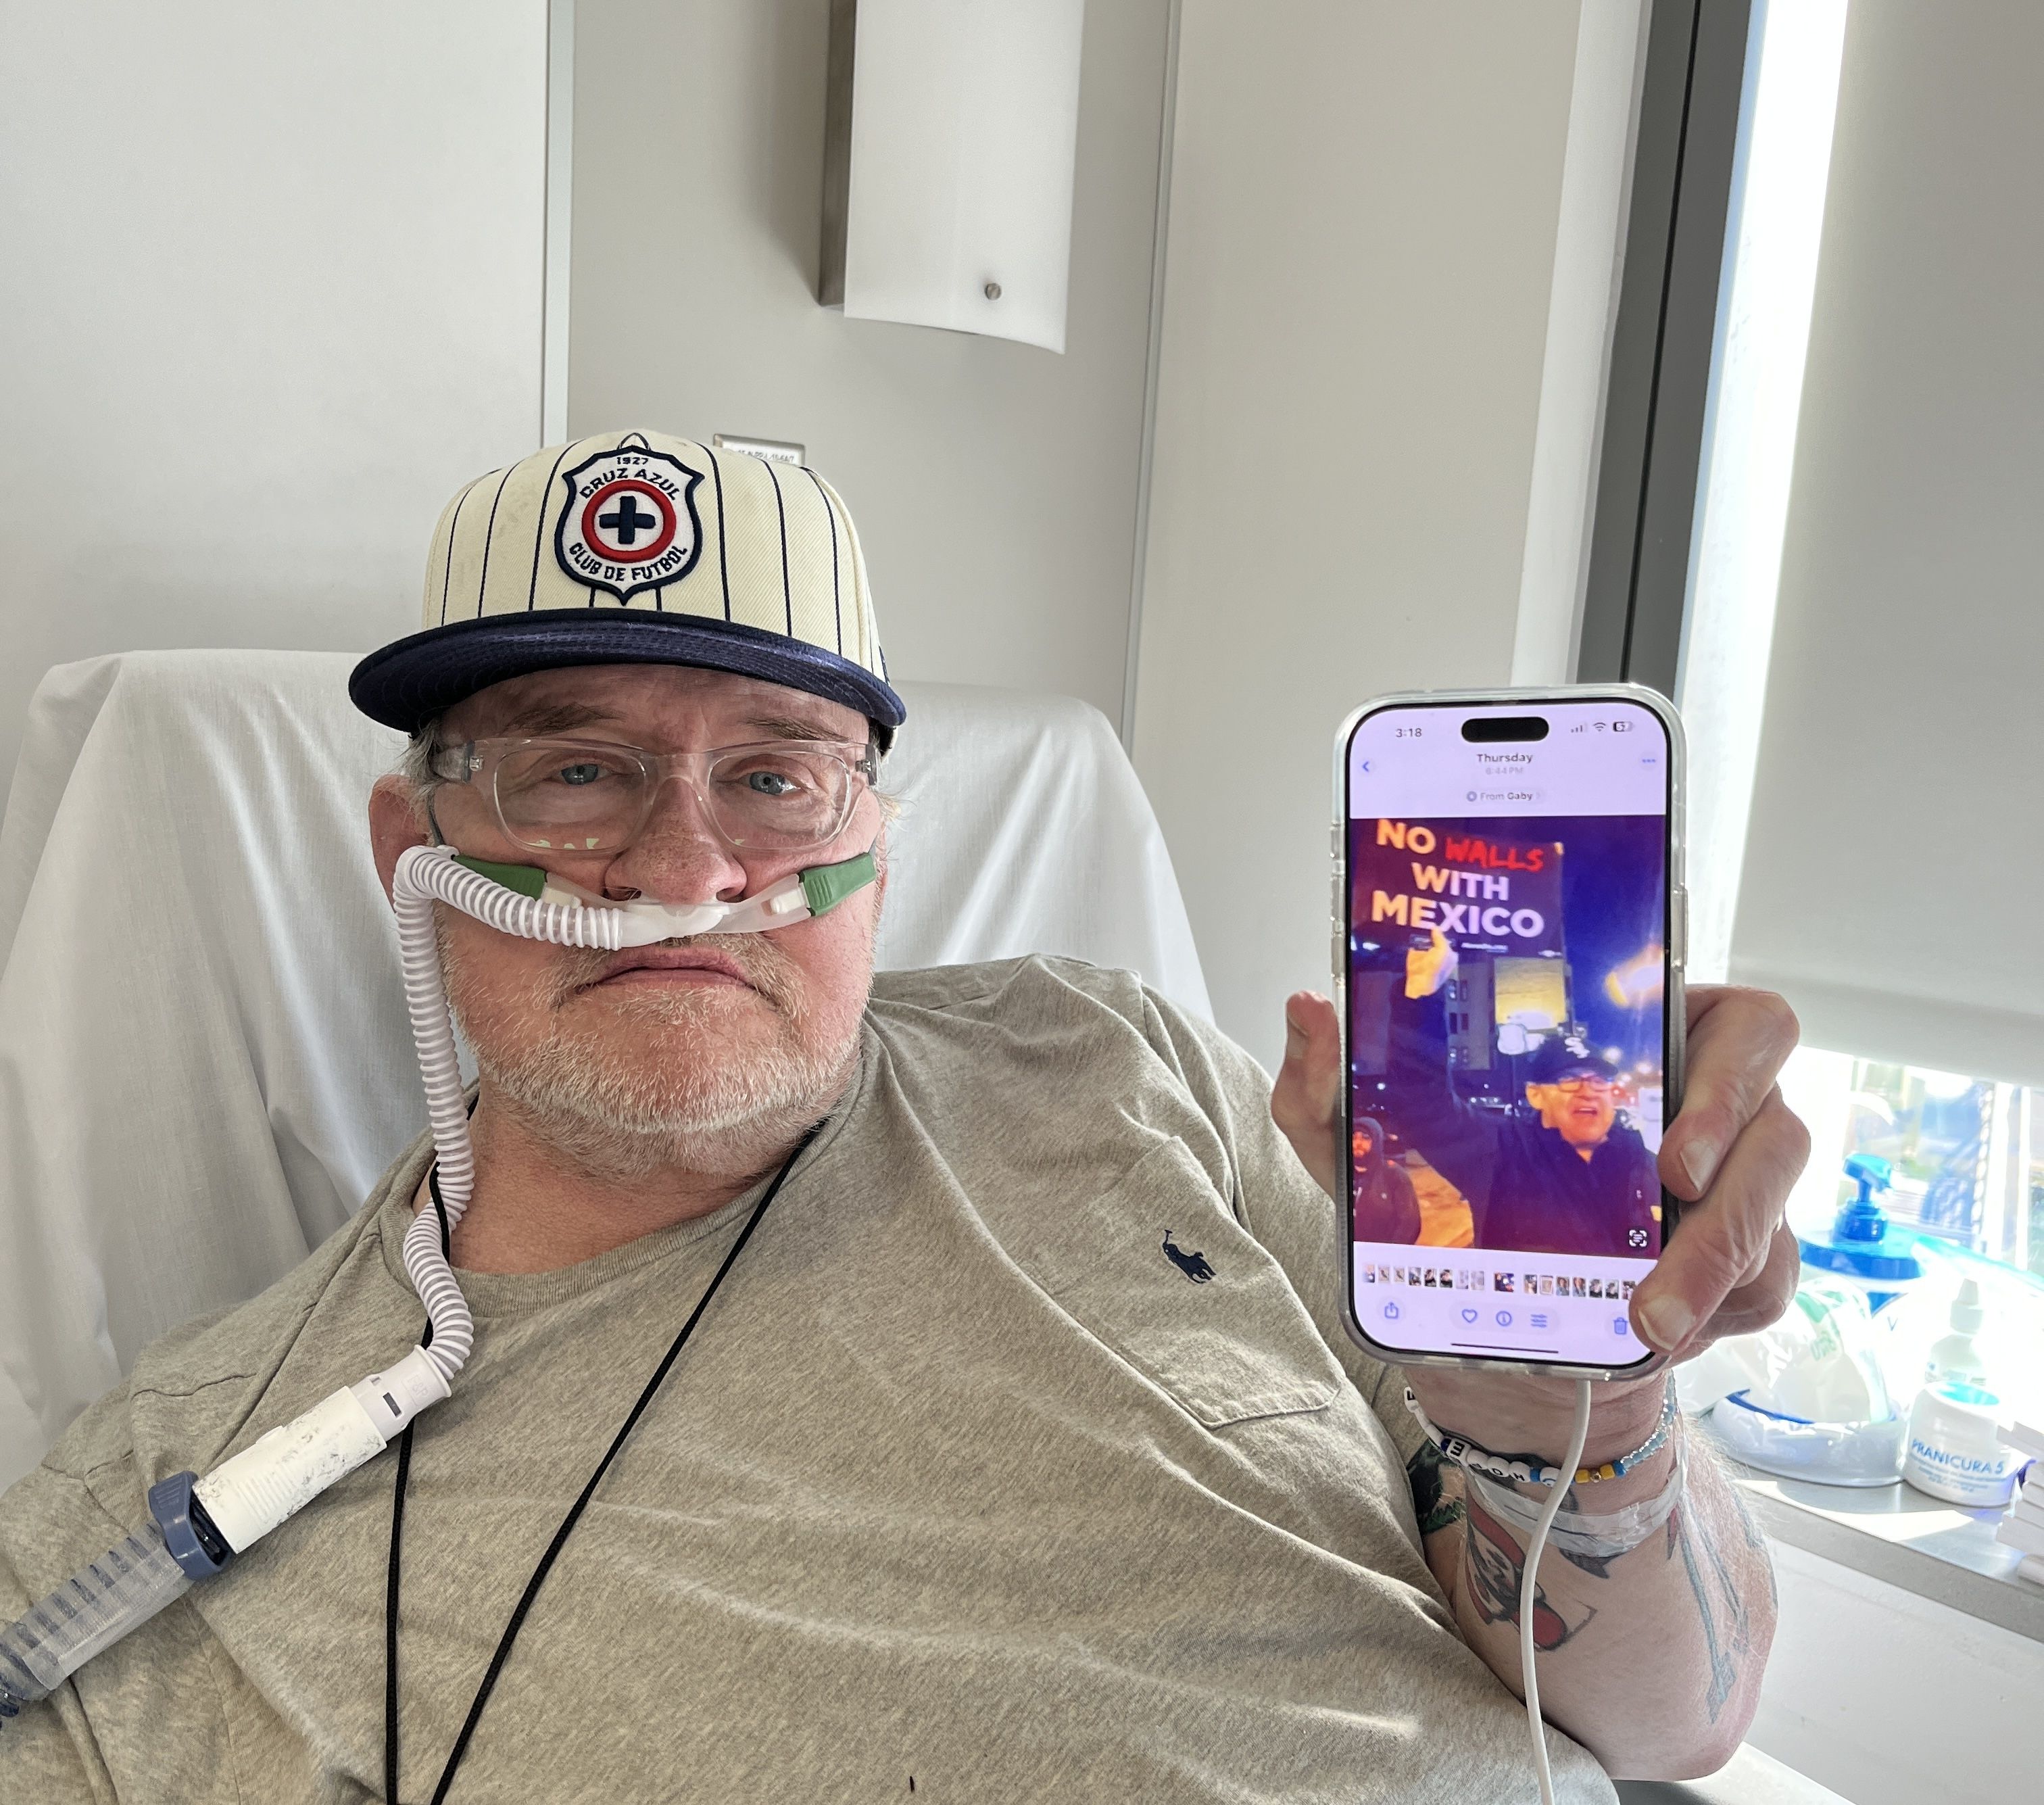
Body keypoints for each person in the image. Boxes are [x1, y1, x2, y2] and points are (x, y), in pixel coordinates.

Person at [0, 433, 1810, 1802]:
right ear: (419, 856)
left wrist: (1571, 1408)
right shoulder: (169, 1503)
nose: (688, 866)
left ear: (876, 844)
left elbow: (1678, 1715)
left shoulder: (1114, 1064)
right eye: (575, 767)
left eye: (777, 775)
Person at [1376, 927, 1662, 1258]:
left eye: (1598, 1080)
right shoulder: (1501, 1153)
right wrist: (1422, 1000)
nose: (1588, 1092)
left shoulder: (1647, 1164)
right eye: (1569, 1079)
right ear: (1536, 1094)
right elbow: (1422, 1102)